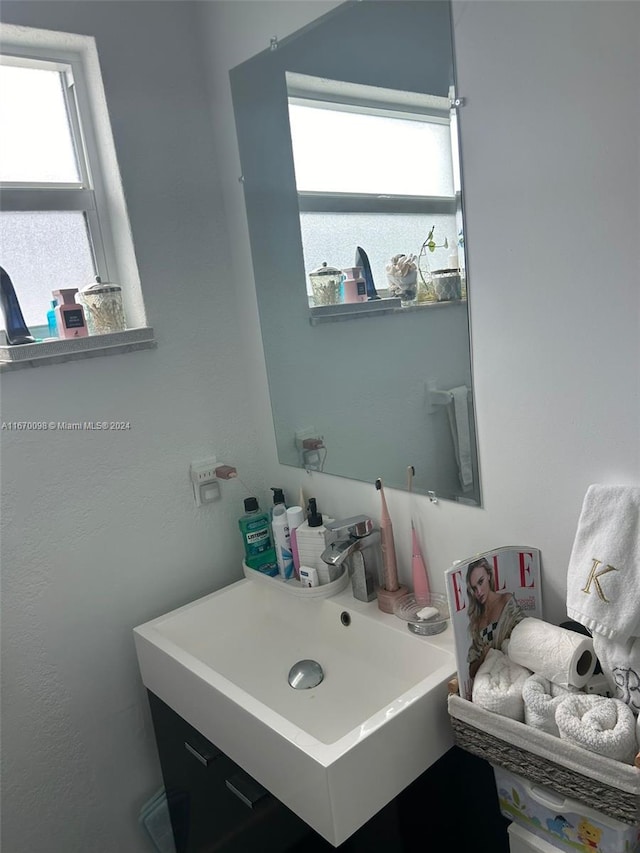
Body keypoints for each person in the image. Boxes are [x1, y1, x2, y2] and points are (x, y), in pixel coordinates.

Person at [466, 558, 525, 683]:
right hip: (491, 679)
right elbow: (471, 670)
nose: (479, 592)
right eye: (474, 588)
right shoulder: (477, 621)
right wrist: (483, 657)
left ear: (488, 575)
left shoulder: (506, 601)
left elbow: (525, 632)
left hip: (515, 672)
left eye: (480, 582)